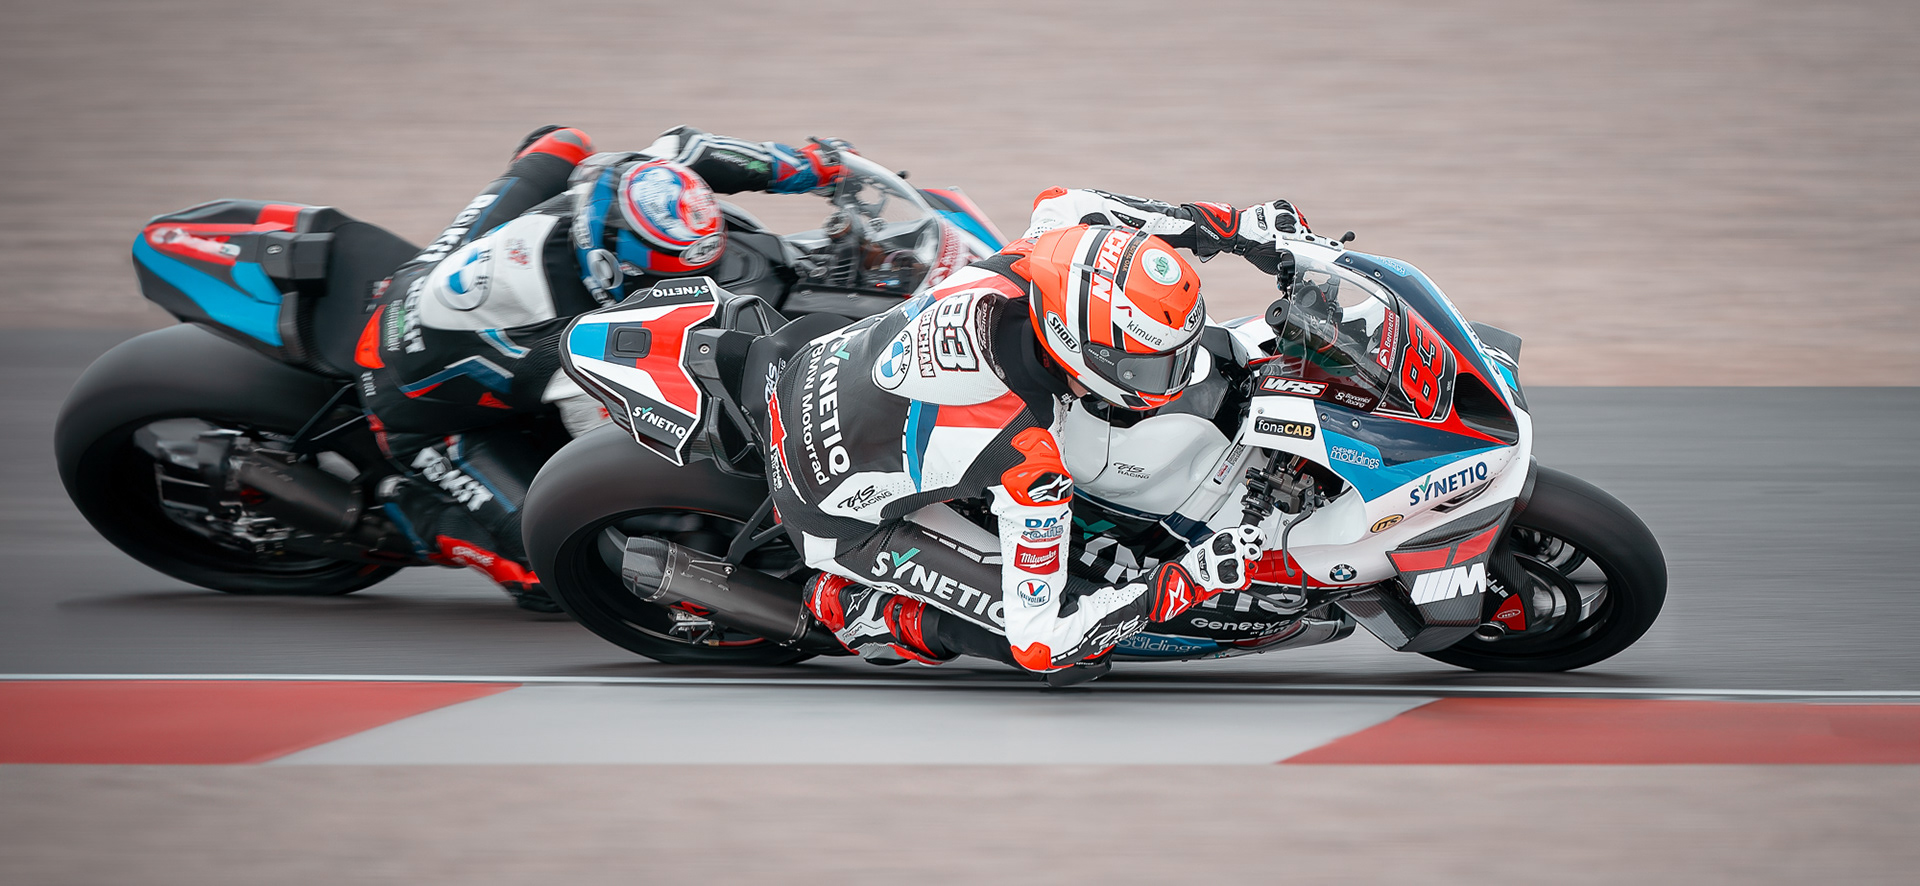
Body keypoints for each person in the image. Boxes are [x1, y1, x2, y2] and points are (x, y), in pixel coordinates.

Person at [764, 186, 1309, 672]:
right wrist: (1189, 580)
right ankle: (864, 612)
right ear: (1078, 348)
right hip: (832, 512)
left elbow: (1074, 201)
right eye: (1149, 366)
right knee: (1076, 649)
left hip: (814, 363)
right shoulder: (1032, 457)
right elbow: (1041, 640)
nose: (1177, 375)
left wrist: (1236, 229)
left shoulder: (1041, 250)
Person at [357, 125, 855, 611]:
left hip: (433, 288)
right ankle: (408, 511)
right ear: (608, 272)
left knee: (563, 142)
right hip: (413, 406)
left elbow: (688, 147)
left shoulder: (621, 186)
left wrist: (809, 166)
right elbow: (613, 440)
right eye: (678, 276)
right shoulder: (563, 345)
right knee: (550, 564)